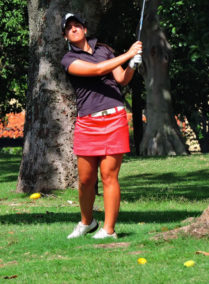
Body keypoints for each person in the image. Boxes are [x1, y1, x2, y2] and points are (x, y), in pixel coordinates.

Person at [60, 13, 142, 239]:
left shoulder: (104, 50)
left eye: (77, 25)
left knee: (109, 176)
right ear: (65, 35)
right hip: (88, 122)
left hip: (114, 118)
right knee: (86, 180)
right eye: (69, 28)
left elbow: (122, 79)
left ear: (85, 29)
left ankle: (109, 229)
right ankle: (87, 222)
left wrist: (132, 65)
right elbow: (96, 71)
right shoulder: (68, 59)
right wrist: (128, 54)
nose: (74, 29)